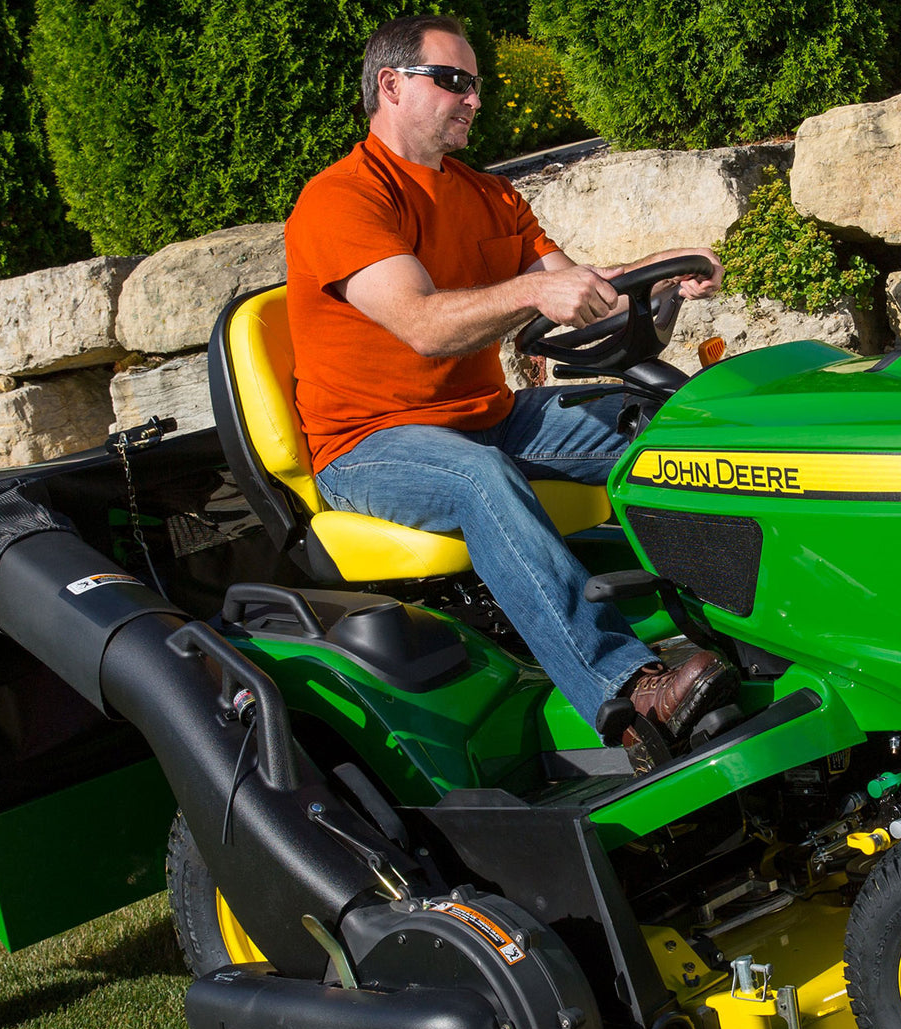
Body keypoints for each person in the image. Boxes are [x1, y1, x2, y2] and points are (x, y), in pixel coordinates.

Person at [284, 13, 737, 770]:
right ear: (391, 85)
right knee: (477, 478)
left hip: (486, 417)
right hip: (368, 444)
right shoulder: (342, 200)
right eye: (454, 81)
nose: (473, 99)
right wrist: (536, 296)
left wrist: (654, 270)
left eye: (477, 85)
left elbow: (576, 289)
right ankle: (631, 693)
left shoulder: (488, 195)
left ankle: (752, 625)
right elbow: (426, 326)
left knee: (668, 424)